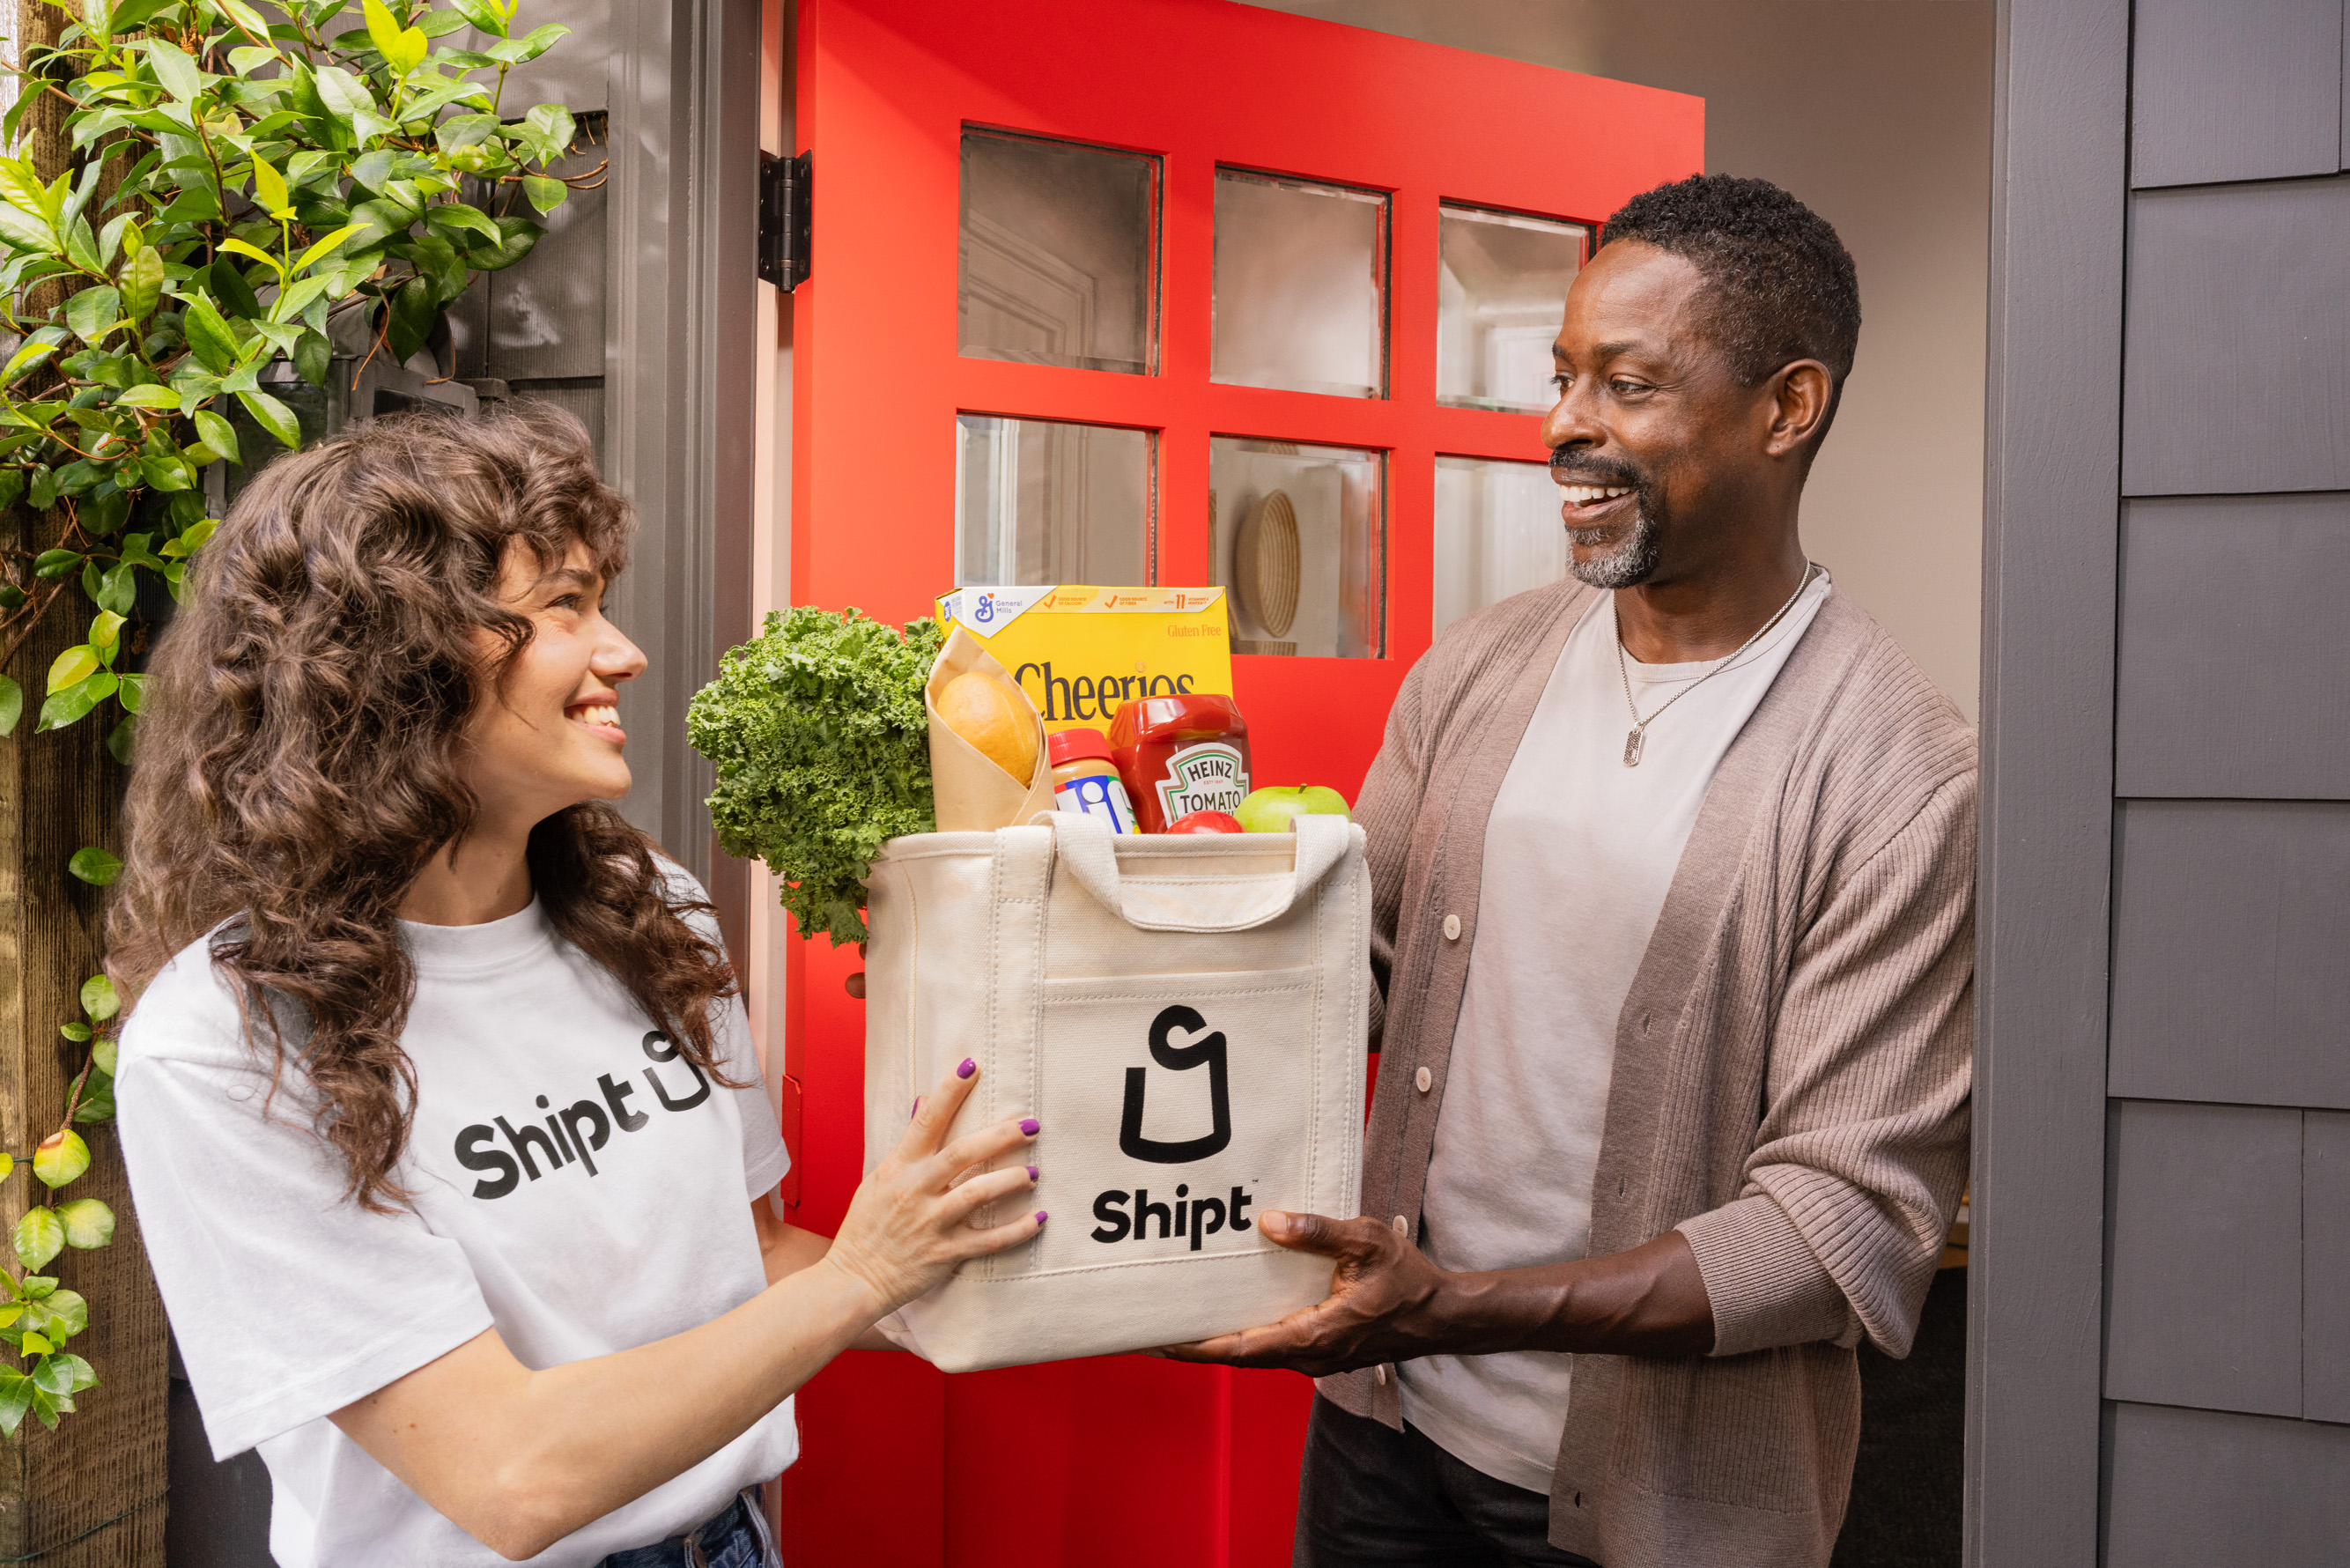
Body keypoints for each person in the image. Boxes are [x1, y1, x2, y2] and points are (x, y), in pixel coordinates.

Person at [1169, 174, 1975, 1568]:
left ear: (1790, 408)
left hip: (1668, 1504)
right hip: (1382, 1435)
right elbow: (1326, 976)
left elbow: (1841, 1223)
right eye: (1561, 377)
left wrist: (1458, 1306)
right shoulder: (1477, 670)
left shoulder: (1900, 775)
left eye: (1629, 384)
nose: (1565, 427)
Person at [109, 405, 1042, 1567]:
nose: (624, 652)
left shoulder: (647, 907)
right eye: (564, 606)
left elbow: (744, 1263)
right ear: (394, 656)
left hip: (729, 1543)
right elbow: (511, 1475)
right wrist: (864, 1271)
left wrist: (1127, 1279)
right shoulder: (225, 1042)